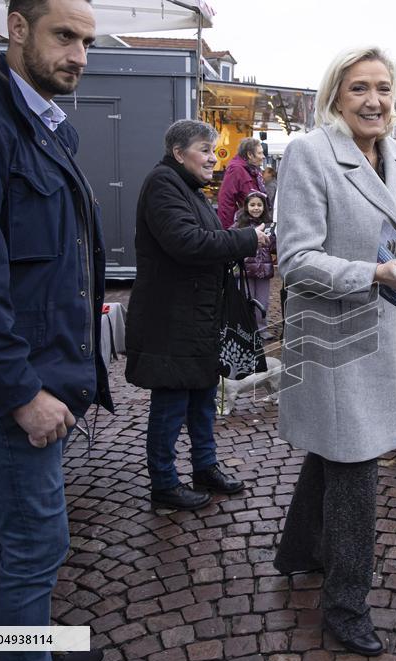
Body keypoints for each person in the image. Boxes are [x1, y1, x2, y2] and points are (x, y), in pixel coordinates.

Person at [0, 1, 108, 661]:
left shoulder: (48, 125)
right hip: (11, 387)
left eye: (87, 41)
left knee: (9, 536)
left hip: (42, 377)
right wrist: (22, 394)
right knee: (37, 541)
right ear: (19, 28)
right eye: (65, 36)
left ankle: (4, 641)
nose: (80, 57)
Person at [273, 46, 396, 658]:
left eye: (384, 88)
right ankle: (346, 605)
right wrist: (373, 272)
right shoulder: (310, 153)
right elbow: (297, 259)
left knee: (341, 449)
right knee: (356, 465)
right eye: (361, 88)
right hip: (335, 332)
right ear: (335, 93)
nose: (375, 101)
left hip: (385, 325)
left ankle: (296, 551)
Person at [125, 120, 266, 511]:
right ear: (178, 153)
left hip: (197, 316)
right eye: (204, 149)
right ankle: (165, 484)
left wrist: (237, 242)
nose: (212, 157)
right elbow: (187, 243)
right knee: (170, 403)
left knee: (204, 397)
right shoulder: (162, 185)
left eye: (212, 149)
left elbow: (206, 242)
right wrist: (248, 239)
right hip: (171, 318)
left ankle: (205, 466)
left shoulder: (186, 188)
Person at [235, 190, 276, 337]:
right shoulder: (239, 225)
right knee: (245, 300)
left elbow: (273, 248)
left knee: (262, 301)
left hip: (263, 270)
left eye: (259, 205)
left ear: (264, 207)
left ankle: (261, 329)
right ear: (246, 207)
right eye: (252, 205)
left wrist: (272, 240)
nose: (256, 208)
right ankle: (245, 329)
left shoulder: (270, 225)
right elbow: (232, 241)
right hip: (244, 270)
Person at [217, 136, 267, 229]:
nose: (263, 156)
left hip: (251, 224)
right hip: (242, 227)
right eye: (260, 153)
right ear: (250, 155)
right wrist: (228, 231)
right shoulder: (236, 170)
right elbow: (226, 201)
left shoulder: (253, 171)